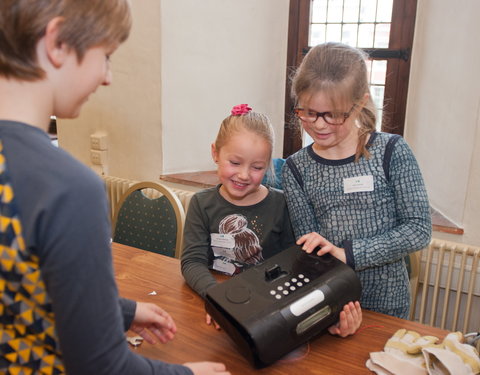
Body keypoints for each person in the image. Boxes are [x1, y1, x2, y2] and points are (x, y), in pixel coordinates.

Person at [0, 1, 229, 374]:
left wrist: (117, 310)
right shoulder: (69, 188)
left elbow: (19, 284)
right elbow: (101, 367)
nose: (107, 76)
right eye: (105, 55)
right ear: (57, 43)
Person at [181, 104, 362, 337]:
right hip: (215, 305)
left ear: (267, 166)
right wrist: (219, 301)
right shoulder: (201, 203)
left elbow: (296, 270)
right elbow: (192, 263)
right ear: (215, 153)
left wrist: (328, 319)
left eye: (257, 167)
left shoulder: (282, 205)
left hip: (265, 312)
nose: (244, 175)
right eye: (235, 163)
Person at [282, 42, 432, 319]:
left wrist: (348, 253)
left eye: (334, 114)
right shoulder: (296, 168)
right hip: (330, 305)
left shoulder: (391, 151)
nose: (319, 124)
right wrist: (333, 310)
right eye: (308, 112)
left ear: (360, 103)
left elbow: (418, 229)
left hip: (388, 306)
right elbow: (309, 246)